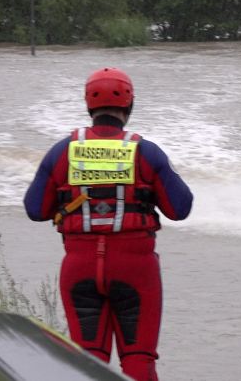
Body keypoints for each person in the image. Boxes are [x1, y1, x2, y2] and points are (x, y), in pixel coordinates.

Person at [23, 67, 193, 381]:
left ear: (89, 106)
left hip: (79, 269)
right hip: (136, 270)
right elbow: (180, 208)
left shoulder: (62, 151)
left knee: (87, 364)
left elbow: (35, 209)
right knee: (138, 360)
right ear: (129, 106)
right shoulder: (146, 151)